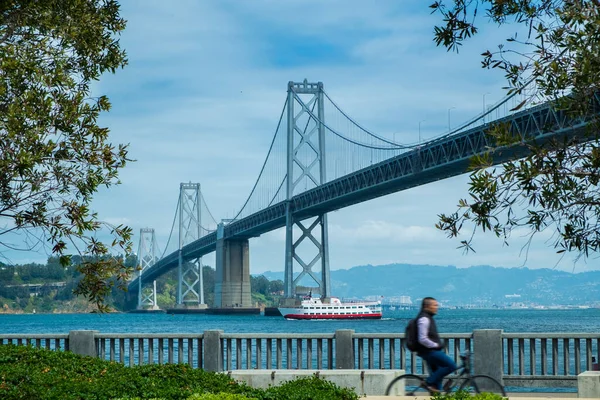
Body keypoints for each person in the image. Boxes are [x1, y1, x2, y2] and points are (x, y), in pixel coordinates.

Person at [415, 297, 456, 392]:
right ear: (427, 306)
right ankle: (427, 382)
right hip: (430, 352)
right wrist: (435, 345)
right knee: (451, 366)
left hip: (430, 351)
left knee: (437, 383)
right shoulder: (424, 319)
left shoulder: (428, 317)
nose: (436, 307)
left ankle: (435, 389)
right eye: (434, 305)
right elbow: (422, 339)